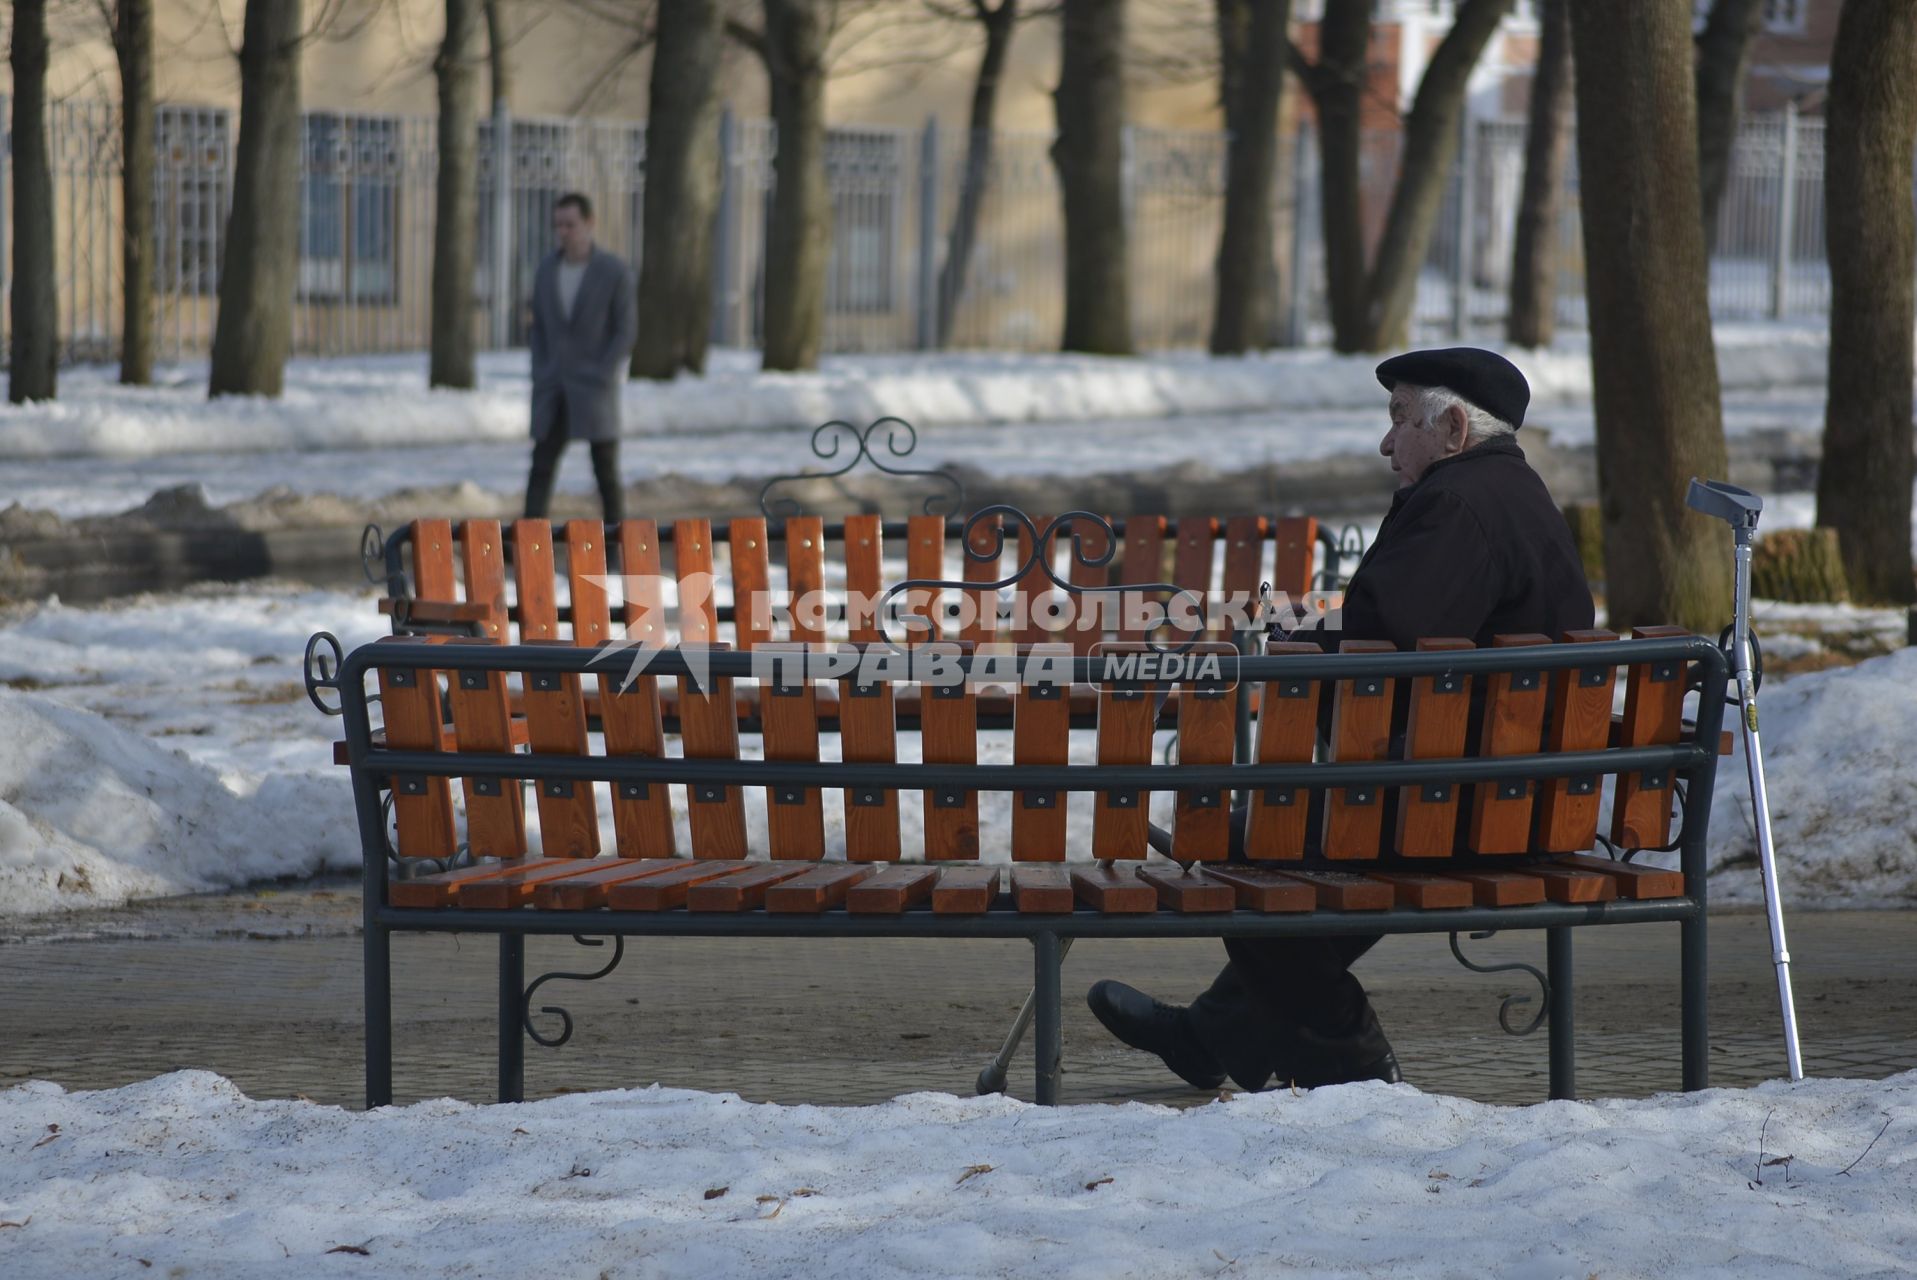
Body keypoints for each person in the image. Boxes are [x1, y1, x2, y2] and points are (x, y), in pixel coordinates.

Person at [1087, 347, 1597, 1093]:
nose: (1386, 443)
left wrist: (1293, 653)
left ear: (1452, 428)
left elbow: (1378, 660)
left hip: (1454, 806)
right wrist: (1316, 639)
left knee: (1248, 852)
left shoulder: (1454, 506)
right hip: (1508, 796)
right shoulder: (1514, 496)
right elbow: (1412, 638)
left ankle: (1353, 1078)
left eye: (1399, 421)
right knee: (1303, 858)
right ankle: (1209, 1038)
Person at [525, 192, 637, 523]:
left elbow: (625, 330)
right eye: (558, 224)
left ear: (589, 224)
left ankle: (617, 547)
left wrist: (604, 370)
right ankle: (529, 547)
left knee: (605, 469)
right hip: (553, 384)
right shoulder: (546, 269)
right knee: (541, 465)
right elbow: (538, 327)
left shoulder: (613, 271)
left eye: (570, 224)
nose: (563, 231)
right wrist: (541, 369)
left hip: (595, 385)